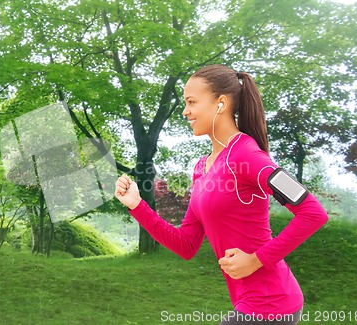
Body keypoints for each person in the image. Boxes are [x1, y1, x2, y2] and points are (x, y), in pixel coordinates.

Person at [114, 64, 328, 325]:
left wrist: (257, 260)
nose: (185, 111)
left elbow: (313, 213)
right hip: (247, 303)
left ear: (221, 103)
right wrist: (137, 205)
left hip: (271, 303)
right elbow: (187, 245)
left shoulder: (248, 155)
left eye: (192, 102)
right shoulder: (202, 167)